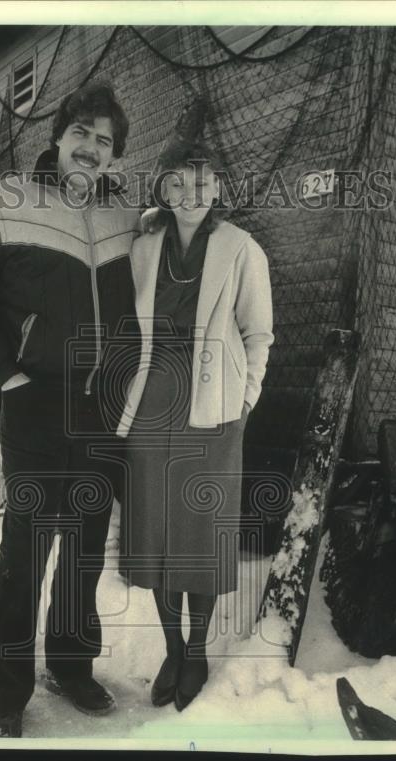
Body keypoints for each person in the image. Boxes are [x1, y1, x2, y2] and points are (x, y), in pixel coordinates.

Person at [0, 82, 139, 738]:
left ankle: (72, 666)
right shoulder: (5, 201)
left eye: (104, 141)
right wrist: (9, 373)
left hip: (96, 405)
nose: (91, 147)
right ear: (57, 137)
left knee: (84, 542)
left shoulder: (122, 220)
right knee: (26, 547)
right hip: (32, 398)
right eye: (82, 132)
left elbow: (137, 309)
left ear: (114, 157)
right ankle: (7, 693)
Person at [116, 139, 274, 711]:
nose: (190, 193)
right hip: (154, 400)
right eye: (177, 182)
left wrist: (247, 399)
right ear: (163, 188)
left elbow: (259, 334)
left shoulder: (241, 249)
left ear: (220, 187)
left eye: (202, 181)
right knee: (155, 530)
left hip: (217, 406)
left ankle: (200, 647)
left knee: (201, 533)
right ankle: (173, 648)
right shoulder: (142, 247)